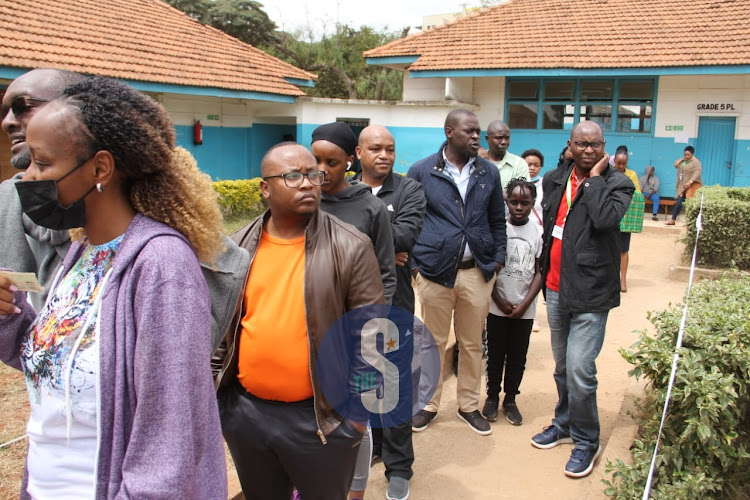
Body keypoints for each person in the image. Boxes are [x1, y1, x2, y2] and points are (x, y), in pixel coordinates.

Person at [0, 77, 228, 498]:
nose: (26, 177)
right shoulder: (82, 250)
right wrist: (7, 316)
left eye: (41, 163)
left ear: (100, 168)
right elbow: (58, 370)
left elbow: (170, 439)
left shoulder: (161, 267)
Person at [213, 142, 386, 500]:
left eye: (314, 175)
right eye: (292, 176)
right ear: (265, 188)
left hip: (320, 421)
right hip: (246, 415)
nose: (308, 184)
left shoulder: (351, 246)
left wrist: (354, 420)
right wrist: (221, 403)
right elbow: (220, 333)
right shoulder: (237, 247)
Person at [531, 121, 633, 478]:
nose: (588, 150)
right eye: (581, 144)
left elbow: (606, 218)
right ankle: (564, 424)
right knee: (562, 366)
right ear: (570, 145)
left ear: (604, 147)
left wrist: (594, 181)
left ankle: (587, 441)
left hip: (591, 292)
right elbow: (548, 226)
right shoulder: (554, 178)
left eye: (595, 145)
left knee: (579, 368)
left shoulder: (619, 184)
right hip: (556, 289)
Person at [408, 109, 506, 436]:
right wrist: (415, 266)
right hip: (434, 272)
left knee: (472, 343)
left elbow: (497, 220)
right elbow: (410, 220)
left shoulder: (488, 173)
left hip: (477, 272)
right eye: (470, 131)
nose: (477, 136)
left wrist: (497, 260)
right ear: (450, 132)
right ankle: (428, 405)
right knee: (431, 342)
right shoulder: (421, 171)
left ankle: (467, 405)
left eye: (479, 131)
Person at [354, 125, 426, 500]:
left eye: (390, 149)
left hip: (394, 304)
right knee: (364, 384)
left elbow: (406, 235)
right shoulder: (346, 190)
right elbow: (324, 234)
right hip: (352, 306)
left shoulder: (409, 189)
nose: (384, 155)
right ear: (359, 152)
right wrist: (384, 248)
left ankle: (400, 468)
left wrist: (359, 244)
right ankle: (373, 446)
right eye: (376, 148)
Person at [1, 69, 86, 309]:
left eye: (22, 106)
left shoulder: (128, 232)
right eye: (4, 111)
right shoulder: (6, 202)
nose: (7, 122)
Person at [311, 121, 396, 305]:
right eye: (315, 160)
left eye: (332, 162)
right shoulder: (305, 202)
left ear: (349, 161)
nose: (322, 170)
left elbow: (386, 274)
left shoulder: (372, 208)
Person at [482, 178, 543, 427]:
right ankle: (492, 396)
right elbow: (487, 270)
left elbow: (540, 271)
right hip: (497, 306)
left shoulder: (537, 232)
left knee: (518, 356)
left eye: (524, 203)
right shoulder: (498, 229)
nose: (518, 207)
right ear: (506, 201)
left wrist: (525, 304)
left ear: (533, 203)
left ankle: (510, 399)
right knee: (495, 353)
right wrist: (499, 299)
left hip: (524, 309)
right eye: (514, 202)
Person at [613, 150, 644, 293]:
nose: (620, 166)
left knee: (623, 250)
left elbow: (637, 193)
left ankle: (623, 279)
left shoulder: (632, 175)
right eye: (618, 163)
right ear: (614, 162)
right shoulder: (608, 173)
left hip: (626, 219)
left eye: (623, 164)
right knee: (609, 249)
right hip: (611, 217)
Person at [485, 120, 530, 191]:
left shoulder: (519, 164)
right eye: (499, 138)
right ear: (487, 139)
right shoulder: (477, 162)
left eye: (507, 138)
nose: (504, 142)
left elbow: (521, 194)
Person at [667, 145, 702, 226]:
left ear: (692, 154)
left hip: (692, 185)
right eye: (685, 154)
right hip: (683, 186)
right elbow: (675, 165)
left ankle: (690, 221)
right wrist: (682, 159)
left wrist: (690, 181)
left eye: (688, 155)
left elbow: (697, 173)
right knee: (679, 202)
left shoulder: (696, 162)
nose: (686, 156)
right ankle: (673, 220)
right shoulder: (683, 161)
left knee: (690, 203)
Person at [521, 148, 545, 228]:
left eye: (536, 165)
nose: (532, 168)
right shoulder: (516, 185)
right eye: (529, 164)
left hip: (539, 230)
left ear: (541, 167)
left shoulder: (545, 184)